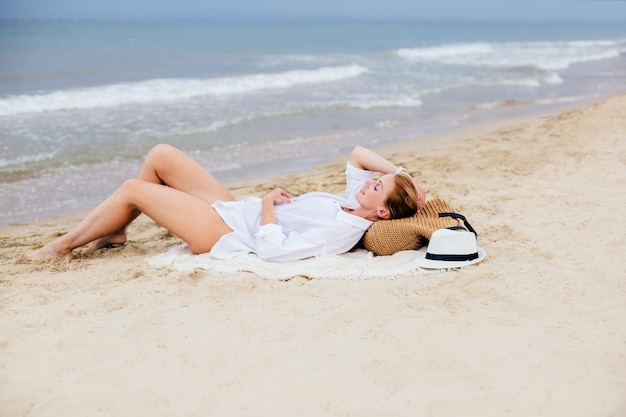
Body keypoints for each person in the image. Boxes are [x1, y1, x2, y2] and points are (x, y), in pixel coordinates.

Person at [27, 144, 426, 263]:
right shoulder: (354, 202)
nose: (370, 182)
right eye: (376, 180)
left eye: (379, 187)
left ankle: (61, 247)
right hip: (236, 210)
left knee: (135, 188)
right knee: (161, 155)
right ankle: (115, 231)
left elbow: (273, 251)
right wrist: (403, 173)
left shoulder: (341, 230)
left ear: (382, 213)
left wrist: (269, 204)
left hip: (228, 233)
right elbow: (357, 154)